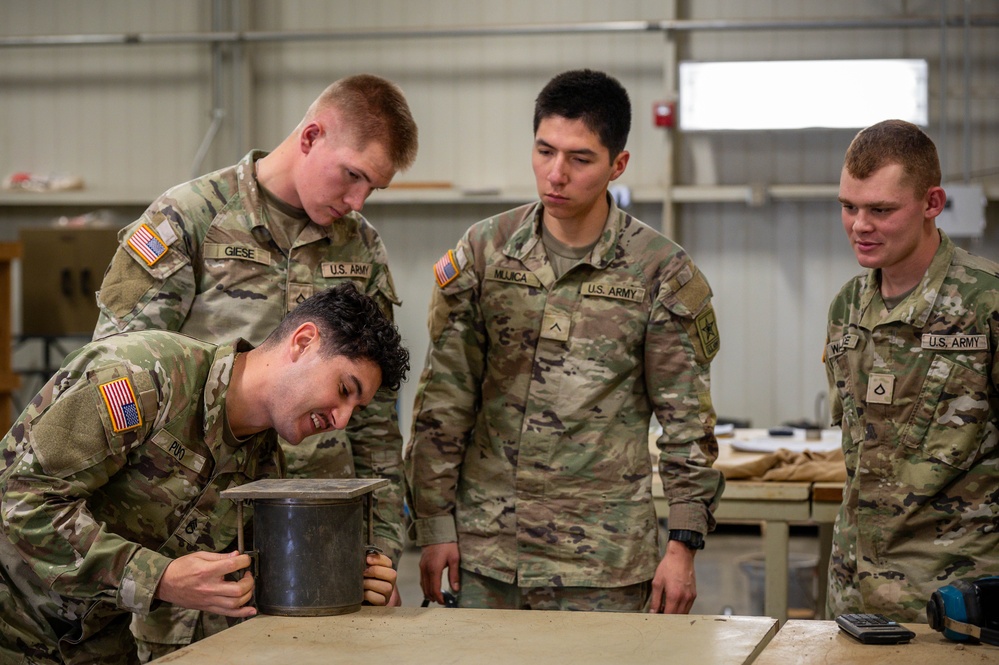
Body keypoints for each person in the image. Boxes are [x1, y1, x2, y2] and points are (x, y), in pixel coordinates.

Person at [91, 74, 417, 655]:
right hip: (203, 552)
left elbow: (373, 423)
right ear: (312, 136)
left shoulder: (360, 249)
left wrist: (382, 551)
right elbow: (117, 382)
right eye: (354, 175)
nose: (358, 201)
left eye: (374, 188)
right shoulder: (190, 219)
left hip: (321, 548)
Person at [405, 69, 724, 613]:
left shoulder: (659, 272)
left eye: (580, 159)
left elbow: (686, 423)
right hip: (488, 554)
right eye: (544, 150)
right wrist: (434, 523)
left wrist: (683, 544)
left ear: (617, 164)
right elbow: (445, 401)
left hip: (601, 562)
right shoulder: (486, 252)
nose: (556, 174)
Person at [0, 283, 410, 664]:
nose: (341, 421)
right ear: (303, 342)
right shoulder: (145, 376)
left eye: (356, 410)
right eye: (343, 390)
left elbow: (258, 577)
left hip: (93, 643)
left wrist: (353, 580)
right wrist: (158, 577)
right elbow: (19, 497)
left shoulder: (262, 466)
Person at [825, 119, 999, 622]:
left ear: (931, 204)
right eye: (848, 206)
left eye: (881, 209)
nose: (860, 224)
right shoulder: (847, 308)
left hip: (954, 598)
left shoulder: (983, 303)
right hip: (854, 595)